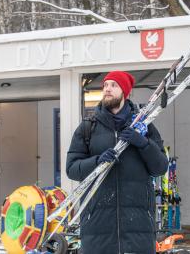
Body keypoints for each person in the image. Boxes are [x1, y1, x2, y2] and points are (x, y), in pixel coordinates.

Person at [66, 70, 169, 254]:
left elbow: (160, 167)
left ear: (125, 92)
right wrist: (97, 162)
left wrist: (143, 143)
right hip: (97, 228)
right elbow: (72, 169)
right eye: (105, 85)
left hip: (138, 228)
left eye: (113, 85)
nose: (107, 89)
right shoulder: (88, 127)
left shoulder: (144, 126)